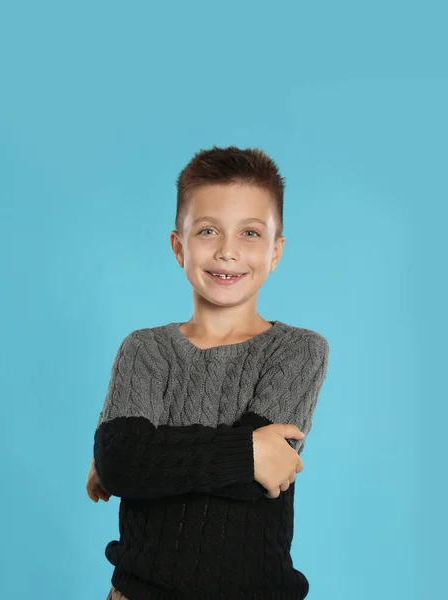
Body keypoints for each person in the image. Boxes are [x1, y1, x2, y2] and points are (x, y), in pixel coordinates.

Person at [86, 145, 330, 599]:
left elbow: (257, 480)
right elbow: (121, 461)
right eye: (208, 231)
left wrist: (145, 457)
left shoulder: (299, 349)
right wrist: (245, 450)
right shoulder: (145, 349)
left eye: (251, 233)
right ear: (179, 246)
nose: (228, 251)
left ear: (276, 252)